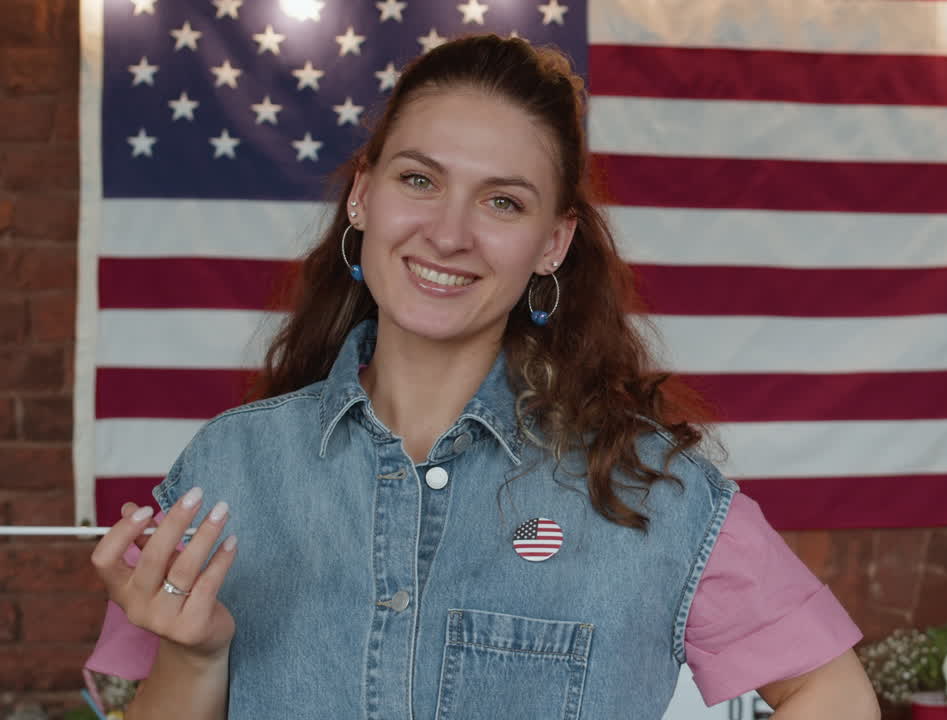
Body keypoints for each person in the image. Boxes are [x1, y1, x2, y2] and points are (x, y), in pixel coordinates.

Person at [87, 35, 879, 719]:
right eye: (419, 180)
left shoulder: (648, 490)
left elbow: (832, 691)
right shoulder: (228, 472)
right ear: (363, 196)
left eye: (502, 202)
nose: (449, 234)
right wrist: (193, 658)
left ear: (552, 243)